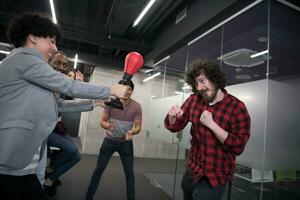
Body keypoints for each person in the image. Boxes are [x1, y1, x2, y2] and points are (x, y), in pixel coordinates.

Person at [0, 12, 127, 200]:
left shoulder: (31, 67)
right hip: (11, 159)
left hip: (25, 161)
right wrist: (110, 89)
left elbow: (58, 105)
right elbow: (68, 85)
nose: (55, 47)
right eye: (51, 40)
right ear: (33, 37)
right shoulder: (24, 58)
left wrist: (95, 102)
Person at [164, 59, 251, 200]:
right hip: (194, 168)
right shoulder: (194, 100)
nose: (199, 87)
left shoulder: (237, 107)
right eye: (196, 83)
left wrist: (212, 125)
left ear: (215, 78)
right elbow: (176, 126)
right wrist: (172, 118)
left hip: (216, 174)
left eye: (202, 81)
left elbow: (238, 146)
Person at [86, 80, 142, 200]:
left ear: (132, 91)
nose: (126, 91)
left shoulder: (136, 106)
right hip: (109, 141)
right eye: (124, 88)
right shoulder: (111, 103)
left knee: (129, 174)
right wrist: (107, 126)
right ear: (119, 90)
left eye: (129, 89)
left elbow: (138, 127)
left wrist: (132, 132)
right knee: (98, 170)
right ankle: (88, 197)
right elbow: (102, 122)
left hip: (126, 144)